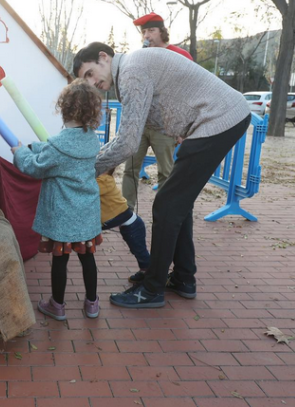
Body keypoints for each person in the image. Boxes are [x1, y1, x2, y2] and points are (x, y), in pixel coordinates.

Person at [73, 42, 251, 308]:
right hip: (219, 119)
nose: (91, 83)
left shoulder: (131, 71)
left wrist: (88, 169)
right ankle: (183, 279)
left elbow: (128, 143)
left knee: (166, 205)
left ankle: (152, 289)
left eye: (89, 73)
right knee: (176, 204)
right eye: (84, 80)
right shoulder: (133, 69)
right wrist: (94, 162)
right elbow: (126, 137)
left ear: (104, 57)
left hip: (219, 119)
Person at [12, 79, 103, 320]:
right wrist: (37, 145)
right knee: (87, 257)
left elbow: (35, 167)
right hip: (86, 212)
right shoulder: (91, 139)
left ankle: (58, 305)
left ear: (63, 108)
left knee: (60, 260)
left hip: (63, 213)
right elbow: (59, 151)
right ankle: (92, 303)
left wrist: (21, 151)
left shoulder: (58, 145)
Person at [122, 12, 193, 211]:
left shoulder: (180, 55)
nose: (147, 35)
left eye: (151, 30)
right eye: (144, 31)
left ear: (162, 31)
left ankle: (164, 211)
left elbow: (189, 94)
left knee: (166, 172)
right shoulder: (140, 57)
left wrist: (184, 129)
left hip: (166, 126)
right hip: (141, 124)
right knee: (130, 169)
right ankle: (126, 211)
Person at [97, 168, 150, 283]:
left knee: (140, 251)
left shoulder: (103, 181)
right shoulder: (103, 178)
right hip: (128, 225)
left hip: (133, 226)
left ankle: (150, 275)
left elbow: (86, 190)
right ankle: (144, 271)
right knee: (137, 250)